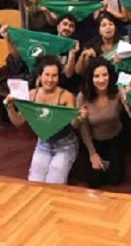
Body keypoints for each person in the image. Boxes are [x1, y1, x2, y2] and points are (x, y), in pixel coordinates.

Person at [3, 56, 79, 184]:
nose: (50, 80)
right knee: (34, 183)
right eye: (47, 75)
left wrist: (78, 117)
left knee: (54, 183)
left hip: (65, 145)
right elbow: (18, 122)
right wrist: (10, 108)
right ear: (40, 75)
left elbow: (75, 125)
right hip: (43, 144)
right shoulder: (31, 95)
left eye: (54, 76)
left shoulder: (66, 96)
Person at [72, 57, 131, 188]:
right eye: (96, 76)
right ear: (90, 78)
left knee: (116, 179)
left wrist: (129, 103)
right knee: (94, 181)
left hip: (115, 138)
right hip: (93, 140)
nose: (101, 80)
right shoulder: (83, 96)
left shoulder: (117, 91)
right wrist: (92, 153)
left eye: (105, 75)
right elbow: (81, 128)